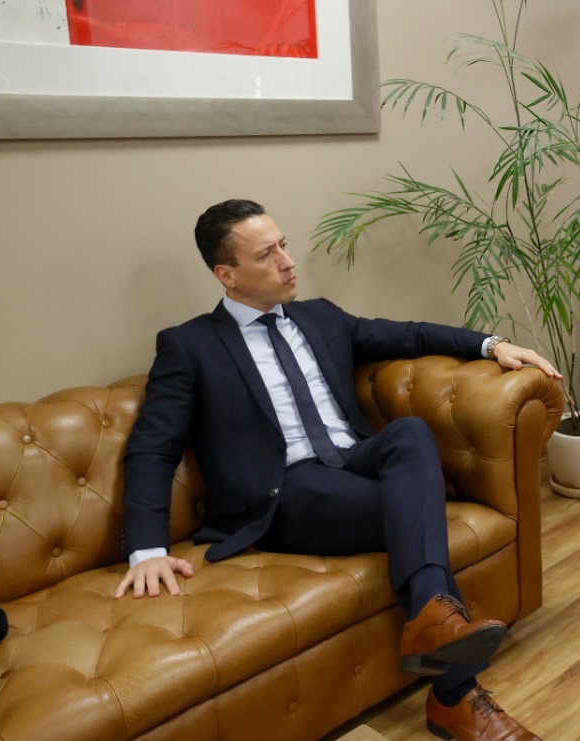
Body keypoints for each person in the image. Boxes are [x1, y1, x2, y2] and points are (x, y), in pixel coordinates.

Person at [115, 199, 557, 741]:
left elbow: (409, 334)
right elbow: (152, 448)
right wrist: (147, 548)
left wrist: (493, 344)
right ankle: (456, 694)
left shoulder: (319, 316)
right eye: (266, 253)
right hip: (287, 492)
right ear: (225, 275)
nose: (287, 260)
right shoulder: (190, 346)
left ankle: (436, 635)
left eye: (283, 244)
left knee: (412, 434)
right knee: (413, 512)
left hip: (352, 458)